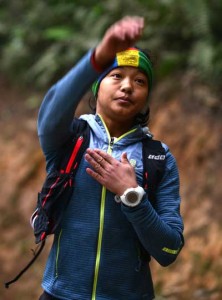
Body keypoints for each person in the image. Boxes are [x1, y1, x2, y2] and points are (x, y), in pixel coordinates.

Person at [37, 16, 184, 300]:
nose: (128, 86)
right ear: (97, 86)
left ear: (147, 95)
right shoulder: (69, 140)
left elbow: (169, 250)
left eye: (140, 81)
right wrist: (98, 58)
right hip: (60, 294)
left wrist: (132, 196)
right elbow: (50, 115)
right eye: (116, 76)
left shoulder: (158, 158)